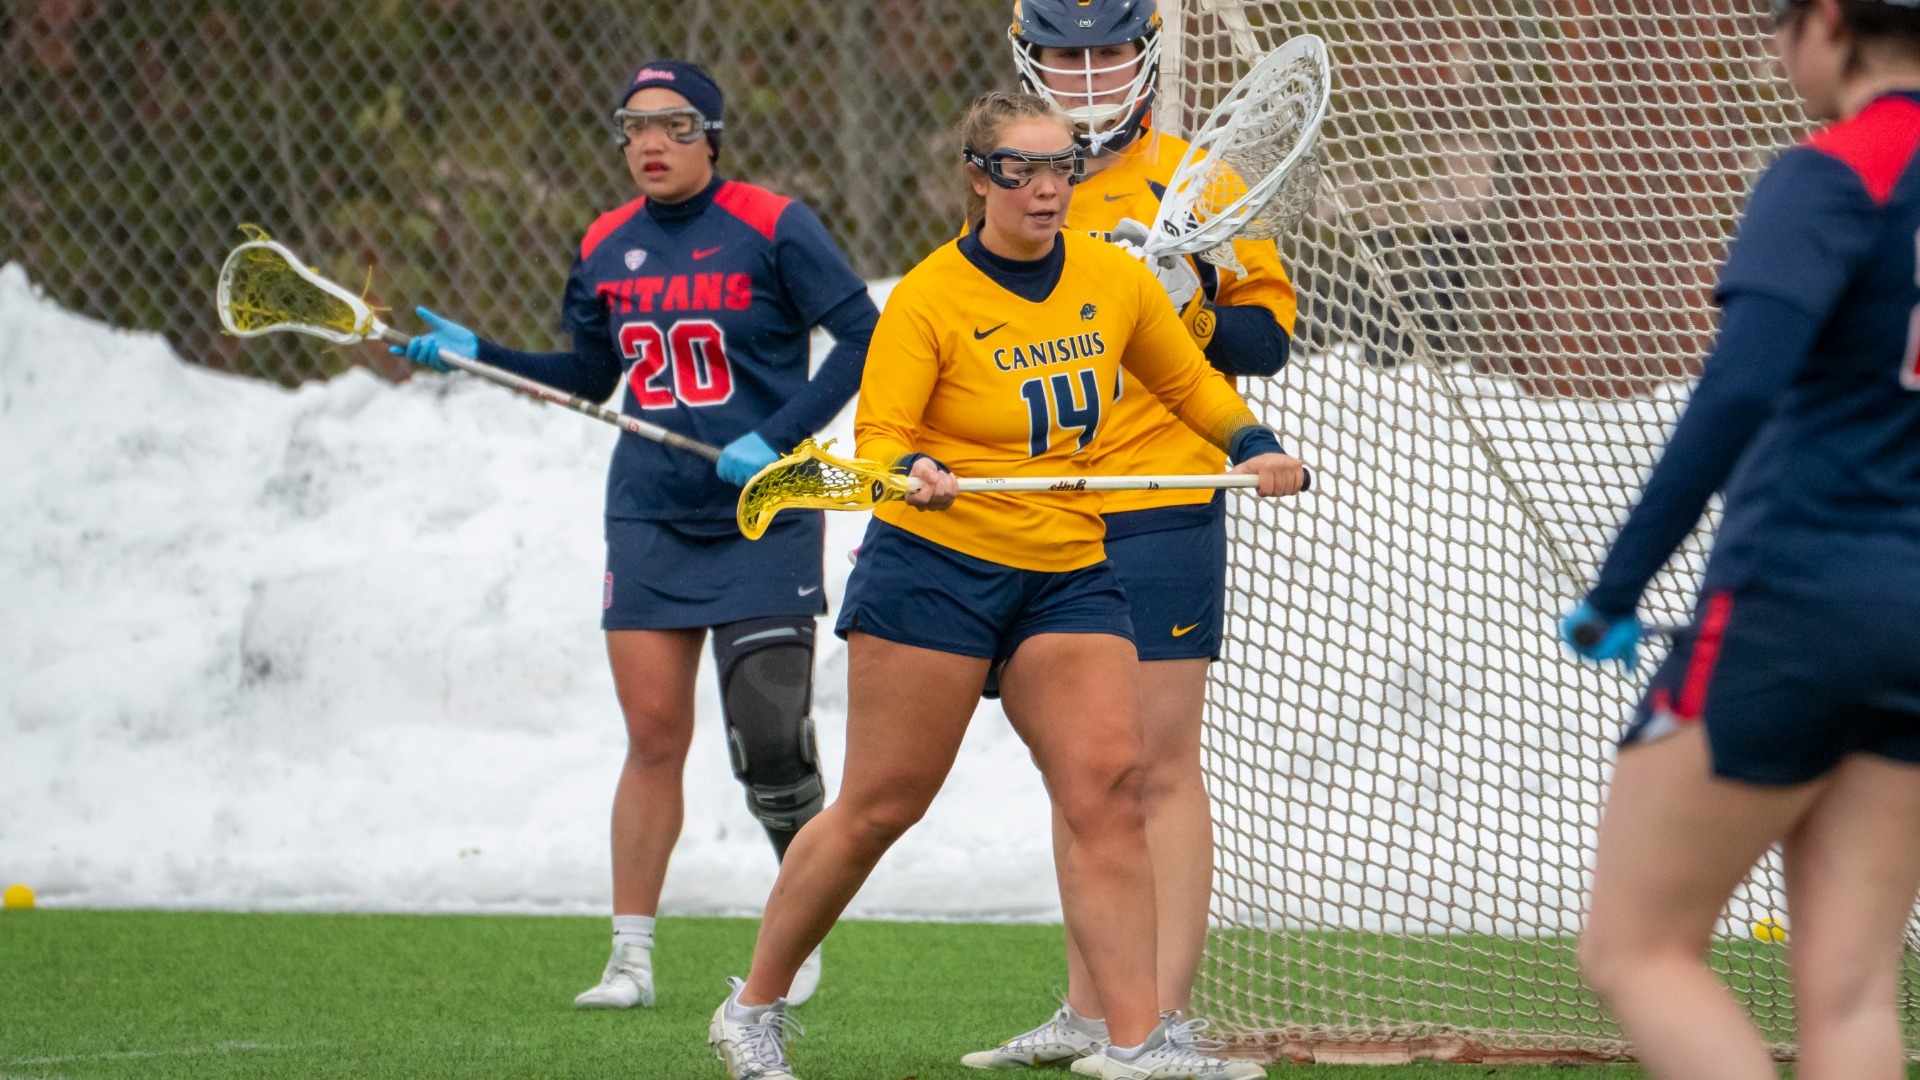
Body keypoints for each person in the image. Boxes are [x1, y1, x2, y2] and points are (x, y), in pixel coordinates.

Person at [707, 91, 1301, 1080]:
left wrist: (1252, 442)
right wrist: (915, 474)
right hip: (936, 570)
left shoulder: (1112, 279)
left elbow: (1186, 380)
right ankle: (755, 1004)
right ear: (979, 177)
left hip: (1067, 566)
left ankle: (1136, 1040)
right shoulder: (932, 298)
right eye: (1021, 170)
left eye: (1061, 167)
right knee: (881, 807)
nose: (1046, 188)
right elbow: (883, 436)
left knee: (1108, 794)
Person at [394, 59, 877, 1010]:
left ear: (714, 135)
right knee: (653, 736)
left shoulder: (776, 225)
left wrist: (775, 437)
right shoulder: (607, 241)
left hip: (761, 509)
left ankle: (798, 917)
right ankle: (630, 960)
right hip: (651, 515)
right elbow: (585, 375)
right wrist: (475, 355)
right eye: (634, 126)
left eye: (676, 124)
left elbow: (865, 335)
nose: (651, 143)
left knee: (770, 736)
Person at [1559, 2, 1920, 1076]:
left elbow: (1738, 392)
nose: (1772, 51)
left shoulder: (1830, 173)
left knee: (1636, 948)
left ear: (1828, 23)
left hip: (1793, 607)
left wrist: (1617, 587)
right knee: (1852, 999)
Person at [962, 1, 1299, 1071]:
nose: (1091, 73)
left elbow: (1270, 336)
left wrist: (1186, 305)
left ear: (1146, 57)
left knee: (1155, 765)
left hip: (1158, 494)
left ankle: (1167, 1017)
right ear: (1030, 61)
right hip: (1048, 501)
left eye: (1109, 51)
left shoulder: (1196, 181)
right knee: (1082, 768)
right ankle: (1096, 1009)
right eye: (1067, 54)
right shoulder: (1018, 178)